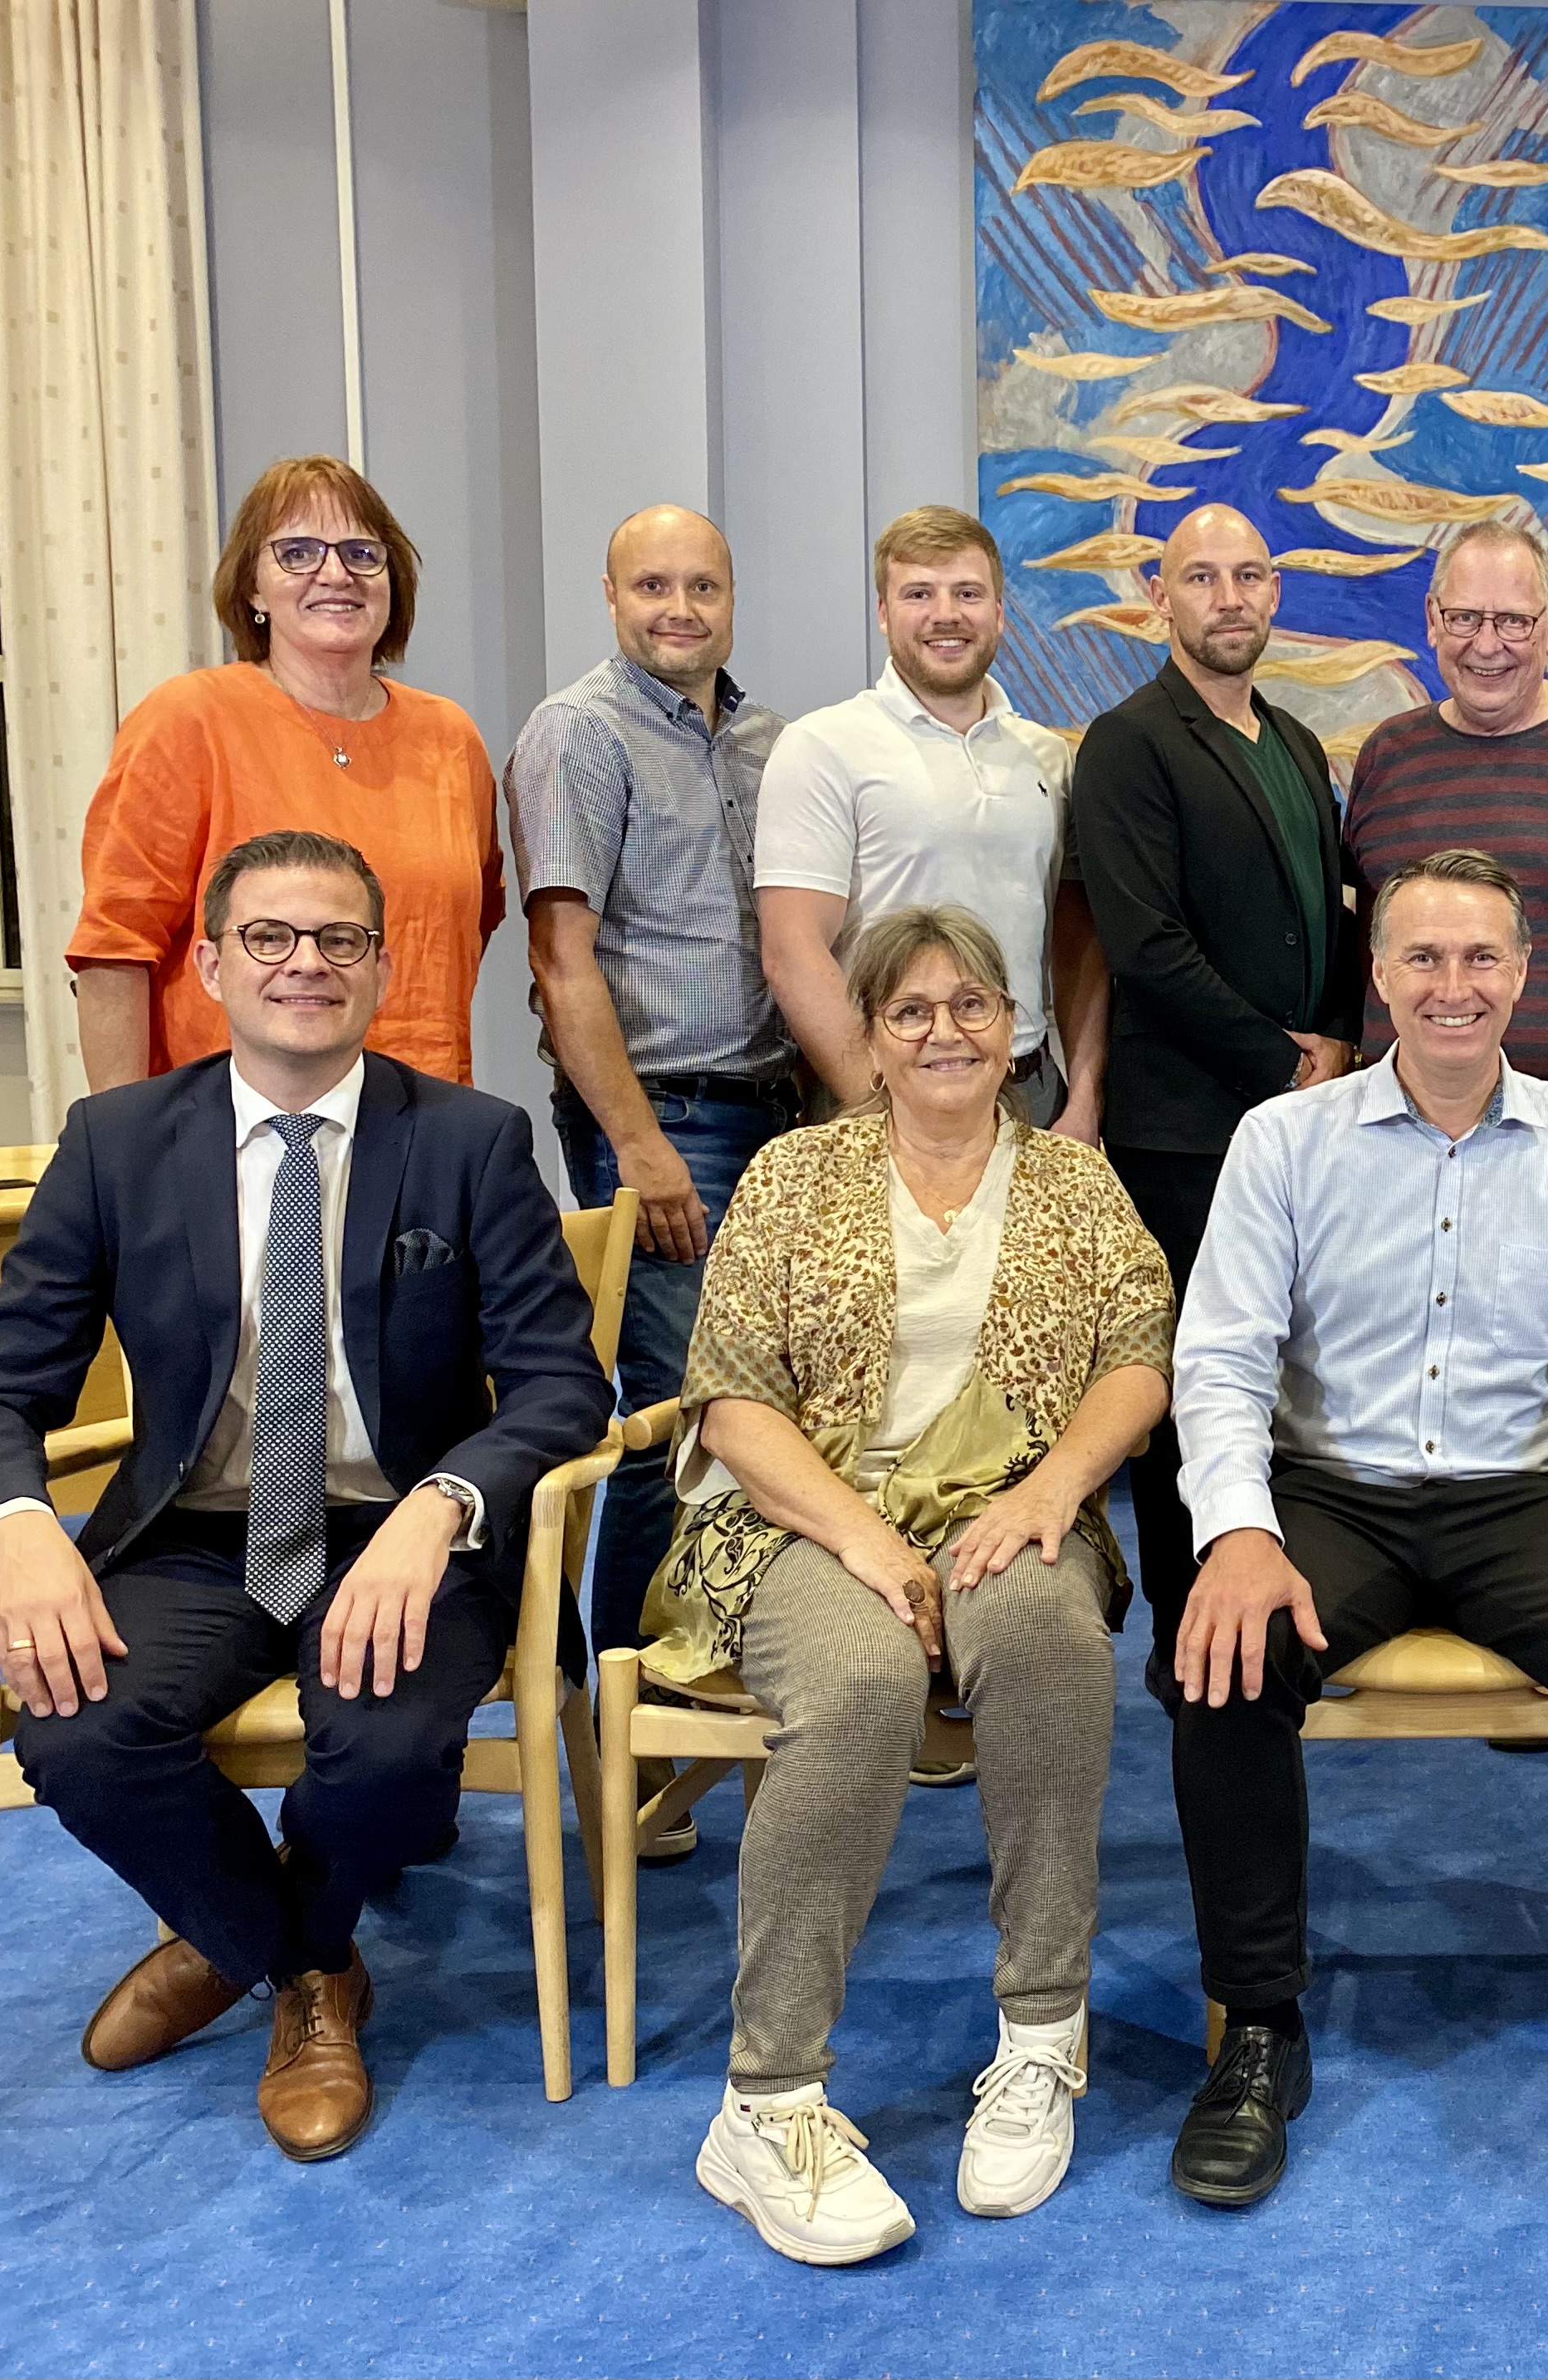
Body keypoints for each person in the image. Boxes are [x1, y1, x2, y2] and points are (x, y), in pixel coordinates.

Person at [0, 831, 613, 2160]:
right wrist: (17, 1532)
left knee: (389, 1753)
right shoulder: (117, 1143)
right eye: (270, 937)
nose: (306, 963)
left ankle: (237, 1942)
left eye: (339, 938)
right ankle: (302, 1960)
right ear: (210, 964)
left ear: (380, 966)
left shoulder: (471, 1141)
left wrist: (439, 1507)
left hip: (402, 1536)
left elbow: (557, 1387)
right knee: (76, 1734)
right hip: (195, 1534)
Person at [1160, 849, 1548, 2211]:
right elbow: (1219, 1359)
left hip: (1516, 1493)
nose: (1450, 984)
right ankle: (1257, 2029)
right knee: (1221, 1656)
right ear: (1378, 975)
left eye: (1479, 958)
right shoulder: (1283, 1140)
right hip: (1328, 1489)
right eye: (1422, 956)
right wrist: (1235, 1533)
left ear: (1521, 976)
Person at [641, 904, 1172, 2264]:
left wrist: (1051, 1492)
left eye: (971, 1005)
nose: (945, 1031)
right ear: (868, 1041)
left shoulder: (1076, 1187)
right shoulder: (790, 1176)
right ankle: (765, 2102)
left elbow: (1138, 1361)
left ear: (1014, 1031)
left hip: (1008, 1509)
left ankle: (1042, 2038)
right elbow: (731, 1403)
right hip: (801, 1522)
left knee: (1046, 1632)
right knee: (864, 1674)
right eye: (911, 1011)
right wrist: (867, 1543)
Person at [503, 503, 796, 1683]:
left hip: (777, 1113)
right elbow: (559, 961)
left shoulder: (770, 741)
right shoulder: (578, 734)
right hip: (664, 1117)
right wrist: (636, 1147)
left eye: (702, 587)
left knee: (765, 1402)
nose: (680, 610)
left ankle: (723, 1665)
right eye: (652, 587)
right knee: (674, 1413)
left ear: (731, 597)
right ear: (611, 596)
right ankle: (622, 1700)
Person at [1071, 502, 1364, 1631]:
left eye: (1248, 575)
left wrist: (1337, 1038)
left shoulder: (1293, 743)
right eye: (1201, 577)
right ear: (1161, 596)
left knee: (1292, 1375)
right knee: (1199, 1379)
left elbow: (1332, 916)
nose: (1228, 597)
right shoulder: (1128, 743)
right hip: (1186, 1130)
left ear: (1274, 591)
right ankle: (1187, 1632)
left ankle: (1280, 1609)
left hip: (1304, 1116)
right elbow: (1144, 946)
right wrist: (1281, 1063)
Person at [70, 459, 502, 1090]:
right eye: (298, 553)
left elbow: (464, 931)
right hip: (229, 1121)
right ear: (252, 588)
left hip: (419, 1113)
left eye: (361, 553)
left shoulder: (449, 737)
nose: (336, 573)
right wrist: (122, 1138)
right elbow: (115, 949)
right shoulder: (188, 719)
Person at [755, 505, 1106, 1132]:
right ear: (884, 613)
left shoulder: (1047, 757)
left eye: (967, 593)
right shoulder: (823, 746)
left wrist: (1084, 1099)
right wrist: (881, 1109)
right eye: (919, 593)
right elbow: (792, 950)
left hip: (1031, 1090)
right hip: (884, 1093)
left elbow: (1077, 941)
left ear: (998, 613)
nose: (946, 614)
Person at [1339, 520, 1548, 1152]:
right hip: (1391, 1138)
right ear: (1432, 620)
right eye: (1465, 618)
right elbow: (1363, 946)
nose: (1487, 644)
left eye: (1514, 622)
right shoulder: (1386, 756)